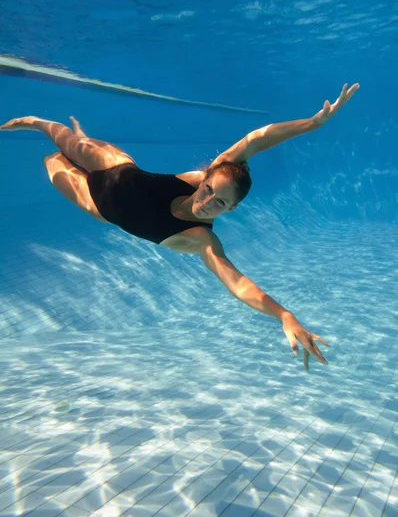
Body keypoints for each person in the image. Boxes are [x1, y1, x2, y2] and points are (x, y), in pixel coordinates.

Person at [0, 82, 359, 371]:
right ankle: (39, 121)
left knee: (52, 160)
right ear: (205, 179)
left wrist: (284, 314)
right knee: (63, 138)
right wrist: (312, 123)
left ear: (231, 210)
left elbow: (237, 283)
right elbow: (255, 140)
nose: (206, 202)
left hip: (99, 204)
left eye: (219, 203)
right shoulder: (211, 174)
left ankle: (75, 143)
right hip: (120, 168)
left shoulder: (202, 239)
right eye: (208, 191)